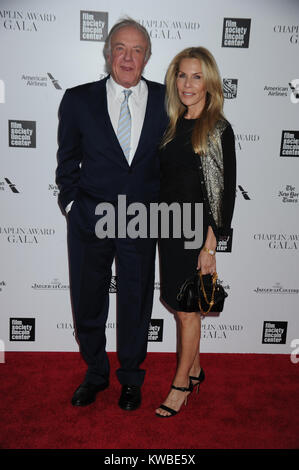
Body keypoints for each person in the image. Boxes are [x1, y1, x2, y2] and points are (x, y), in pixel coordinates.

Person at [56, 18, 168, 411]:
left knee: (136, 303)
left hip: (142, 219)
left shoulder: (166, 99)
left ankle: (132, 379)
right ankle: (96, 373)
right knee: (88, 300)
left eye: (137, 50)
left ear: (148, 57)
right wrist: (72, 206)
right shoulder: (77, 99)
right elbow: (67, 161)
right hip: (90, 217)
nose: (128, 56)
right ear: (107, 53)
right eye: (120, 47)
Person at [156, 47, 236, 417]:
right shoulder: (174, 121)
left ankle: (181, 385)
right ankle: (198, 368)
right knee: (182, 307)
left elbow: (223, 193)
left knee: (189, 313)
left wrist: (209, 247)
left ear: (210, 82)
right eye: (182, 75)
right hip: (169, 229)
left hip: (195, 235)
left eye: (196, 76)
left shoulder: (217, 128)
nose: (187, 84)